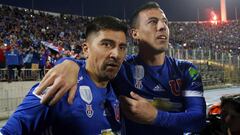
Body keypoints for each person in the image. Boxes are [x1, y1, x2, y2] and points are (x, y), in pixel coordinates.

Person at [35, 2, 206, 135]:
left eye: (165, 22)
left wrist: (155, 116)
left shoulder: (186, 70)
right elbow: (93, 65)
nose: (162, 27)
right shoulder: (123, 69)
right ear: (135, 34)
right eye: (153, 22)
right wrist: (68, 63)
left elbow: (198, 120)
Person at [0, 16, 128, 135]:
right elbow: (9, 131)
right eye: (106, 44)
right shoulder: (61, 83)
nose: (116, 54)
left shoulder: (118, 85)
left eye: (122, 47)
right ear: (85, 49)